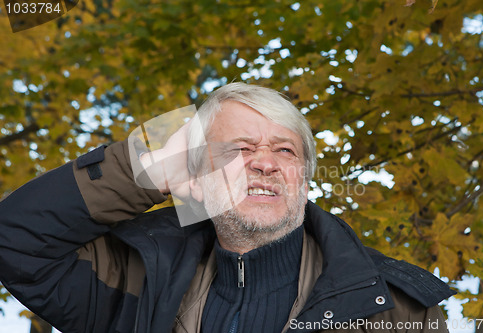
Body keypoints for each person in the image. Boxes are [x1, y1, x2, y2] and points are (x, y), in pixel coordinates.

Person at [0, 83, 454, 333]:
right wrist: (150, 171)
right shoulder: (132, 280)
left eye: (285, 151)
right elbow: (14, 240)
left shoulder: (396, 309)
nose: (265, 163)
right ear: (195, 182)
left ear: (304, 179)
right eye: (239, 149)